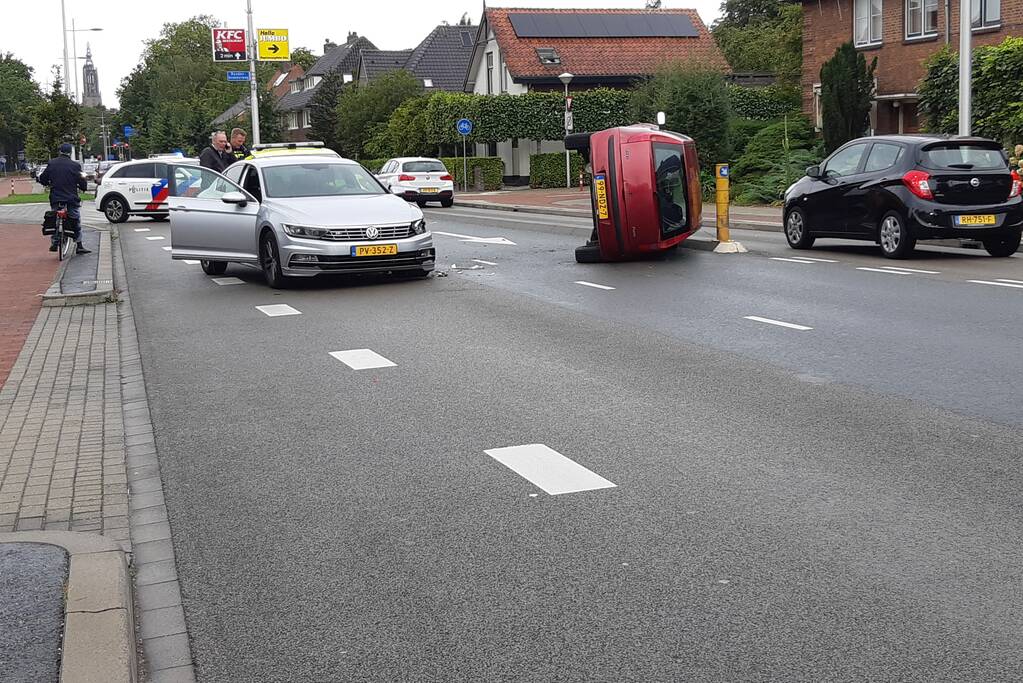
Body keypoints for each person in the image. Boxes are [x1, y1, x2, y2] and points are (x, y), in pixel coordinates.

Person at [39, 143, 90, 254]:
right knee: (75, 219)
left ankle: (54, 242)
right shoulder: (75, 166)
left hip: (56, 197)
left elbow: (43, 178)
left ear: (60, 151)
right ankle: (79, 245)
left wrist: (46, 182)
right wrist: (83, 187)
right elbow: (81, 180)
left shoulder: (52, 163)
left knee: (54, 218)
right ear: (70, 153)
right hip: (71, 198)